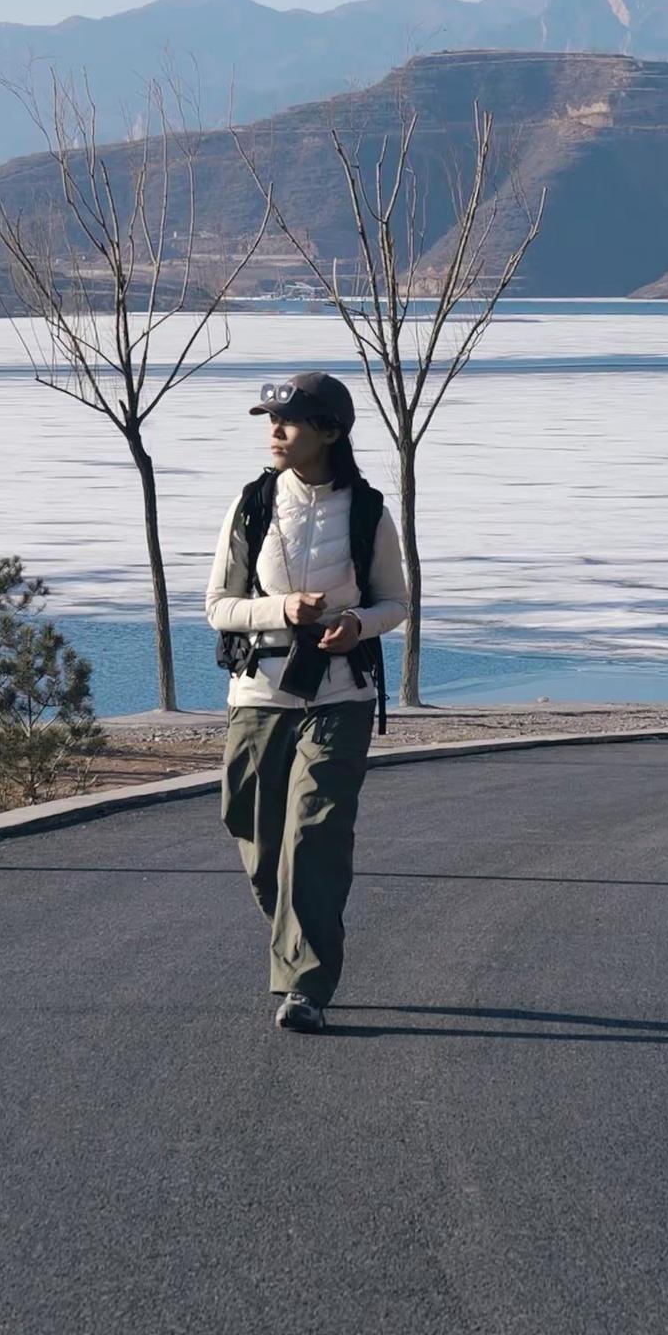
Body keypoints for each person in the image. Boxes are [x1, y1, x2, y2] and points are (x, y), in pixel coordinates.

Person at [205, 371, 408, 1033]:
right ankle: (301, 929)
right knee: (256, 835)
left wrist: (360, 626)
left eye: (288, 420)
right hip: (259, 694)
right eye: (270, 418)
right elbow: (217, 608)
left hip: (341, 694)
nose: (274, 430)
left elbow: (394, 603)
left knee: (313, 837)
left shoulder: (370, 511)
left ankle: (307, 987)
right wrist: (279, 608)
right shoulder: (251, 505)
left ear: (329, 432)